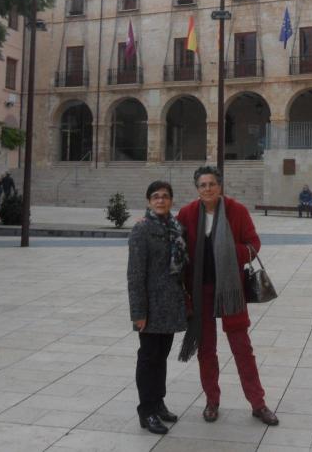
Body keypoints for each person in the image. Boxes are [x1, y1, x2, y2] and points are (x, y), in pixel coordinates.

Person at [177, 165, 279, 427]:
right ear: (197, 188)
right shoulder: (187, 213)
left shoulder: (237, 210)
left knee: (242, 348)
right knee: (206, 349)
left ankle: (258, 403)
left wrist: (230, 251)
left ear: (220, 186)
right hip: (200, 291)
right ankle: (212, 401)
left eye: (212, 184)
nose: (208, 189)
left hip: (231, 289)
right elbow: (176, 244)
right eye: (203, 185)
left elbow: (253, 244)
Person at [127, 181, 189, 435]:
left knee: (161, 357)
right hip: (151, 309)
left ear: (171, 200)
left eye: (165, 196)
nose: (161, 200)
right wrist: (138, 313)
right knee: (148, 358)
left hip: (170, 305)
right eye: (156, 196)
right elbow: (135, 275)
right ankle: (147, 410)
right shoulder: (142, 229)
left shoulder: (175, 227)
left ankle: (158, 401)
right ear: (149, 201)